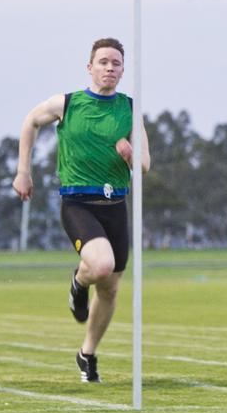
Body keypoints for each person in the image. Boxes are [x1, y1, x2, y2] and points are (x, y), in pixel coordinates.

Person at [12, 38, 150, 384]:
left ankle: (87, 353)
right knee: (100, 266)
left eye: (116, 63)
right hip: (78, 203)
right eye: (103, 62)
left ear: (122, 70)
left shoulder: (130, 109)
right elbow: (30, 121)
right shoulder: (67, 103)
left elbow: (145, 164)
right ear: (89, 67)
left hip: (115, 205)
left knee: (110, 289)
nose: (109, 68)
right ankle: (78, 281)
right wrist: (23, 171)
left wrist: (130, 154)